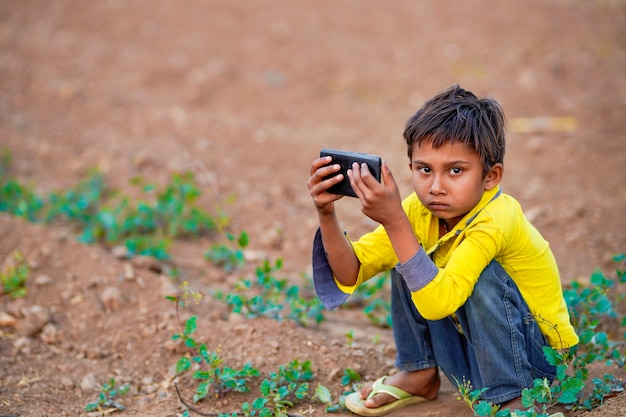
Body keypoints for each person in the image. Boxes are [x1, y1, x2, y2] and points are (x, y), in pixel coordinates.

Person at [307, 85, 578, 417]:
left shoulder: (496, 219)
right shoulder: (419, 212)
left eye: (455, 171)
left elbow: (439, 304)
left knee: (469, 271)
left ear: (491, 176)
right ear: (410, 168)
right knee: (407, 256)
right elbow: (350, 271)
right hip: (480, 352)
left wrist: (396, 224)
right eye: (425, 169)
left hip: (539, 363)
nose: (436, 187)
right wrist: (326, 213)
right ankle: (419, 372)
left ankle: (517, 398)